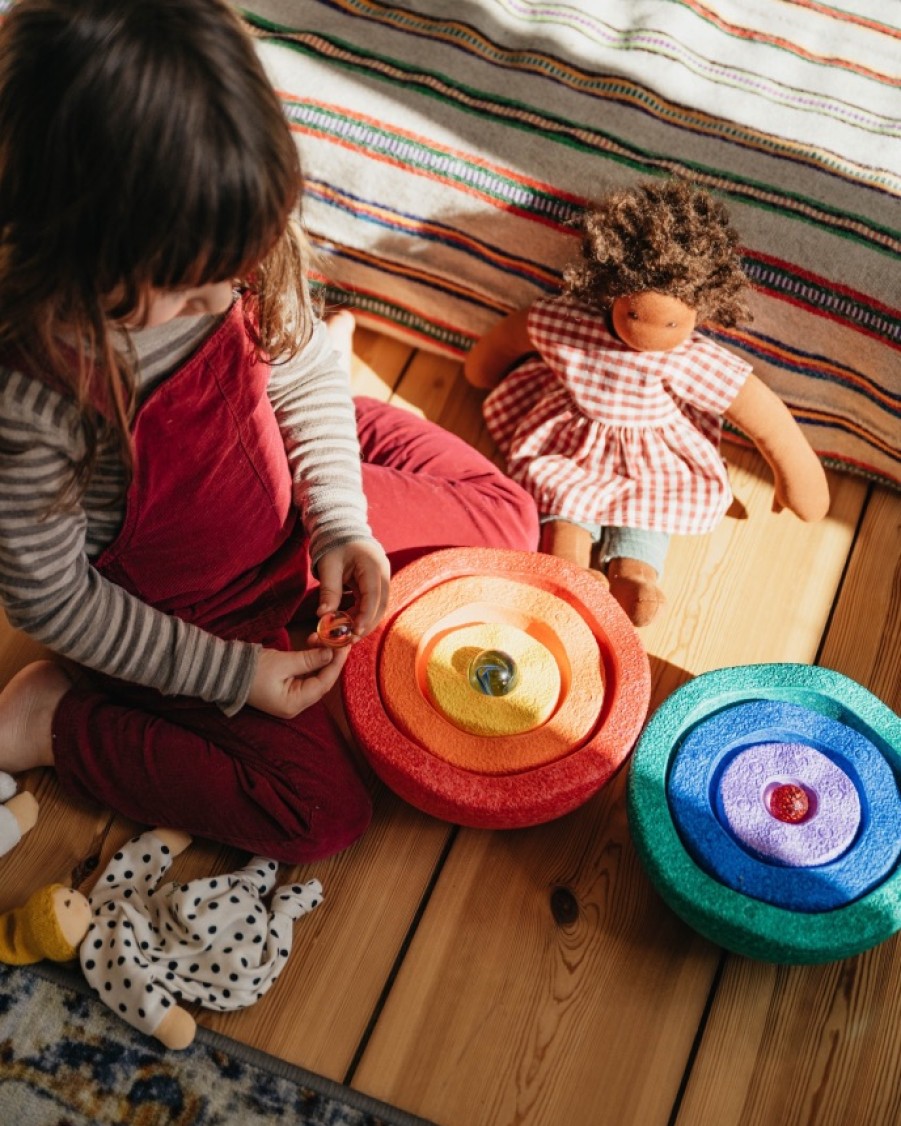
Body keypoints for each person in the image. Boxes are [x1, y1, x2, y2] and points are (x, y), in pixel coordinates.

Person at [0, 0, 538, 863]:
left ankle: (339, 477)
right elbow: (52, 598)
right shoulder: (36, 392)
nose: (220, 302)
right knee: (319, 813)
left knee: (508, 520)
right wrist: (231, 674)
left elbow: (297, 362)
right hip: (185, 614)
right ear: (68, 249)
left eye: (232, 274)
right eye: (183, 292)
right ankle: (53, 720)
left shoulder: (223, 214)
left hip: (279, 489)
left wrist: (340, 516)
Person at [464, 179, 829, 626]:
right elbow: (511, 337)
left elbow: (765, 418)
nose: (650, 330)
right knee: (560, 494)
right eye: (634, 313)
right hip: (573, 441)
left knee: (652, 505)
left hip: (656, 458)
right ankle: (570, 571)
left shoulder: (691, 360)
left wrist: (795, 477)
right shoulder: (568, 325)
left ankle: (635, 575)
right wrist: (482, 367)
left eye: (673, 321)